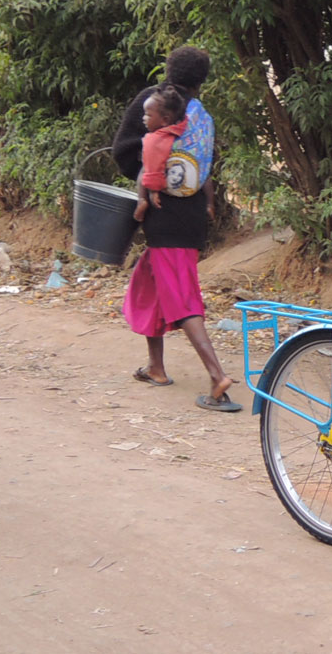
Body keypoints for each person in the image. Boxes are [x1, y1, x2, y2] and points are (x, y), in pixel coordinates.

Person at [112, 46, 240, 413]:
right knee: (148, 286)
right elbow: (207, 165)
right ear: (203, 79)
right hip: (193, 210)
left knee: (182, 298)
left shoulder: (153, 101)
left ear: (168, 70)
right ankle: (156, 367)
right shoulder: (202, 115)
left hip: (164, 213)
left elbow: (123, 151)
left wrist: (149, 177)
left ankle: (218, 378)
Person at [133, 84, 188, 223]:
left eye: (148, 115)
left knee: (143, 171)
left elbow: (153, 171)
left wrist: (152, 191)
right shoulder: (182, 127)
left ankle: (141, 200)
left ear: (165, 120)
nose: (144, 118)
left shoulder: (154, 140)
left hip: (162, 184)